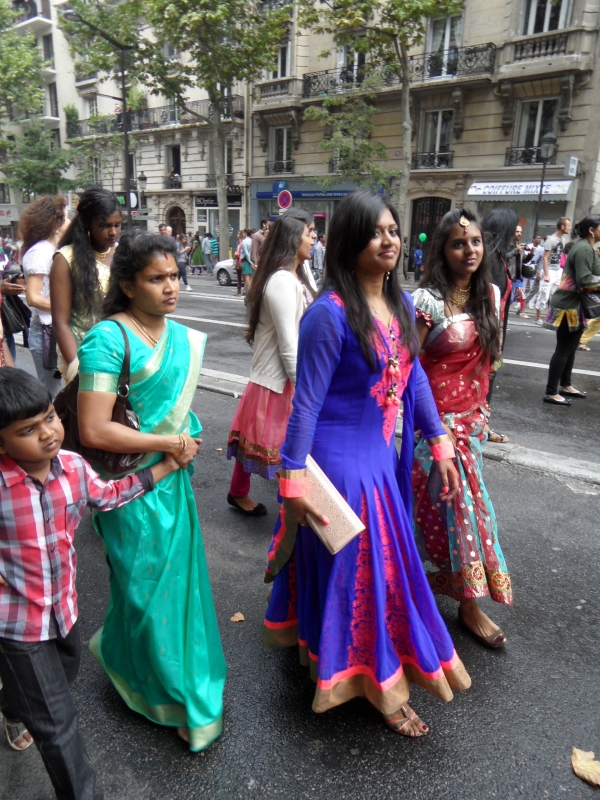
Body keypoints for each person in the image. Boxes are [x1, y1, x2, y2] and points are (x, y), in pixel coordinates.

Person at [263, 191, 470, 737]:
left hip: (380, 464)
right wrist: (292, 479)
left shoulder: (400, 305)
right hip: (339, 469)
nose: (389, 240)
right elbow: (306, 403)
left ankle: (338, 657)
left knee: (368, 573)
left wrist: (440, 440)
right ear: (350, 242)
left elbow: (413, 375)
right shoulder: (328, 315)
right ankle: (379, 685)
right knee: (366, 577)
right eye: (375, 232)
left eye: (393, 230)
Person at [0, 367, 180, 800]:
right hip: (17, 624)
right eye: (28, 430)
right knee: (58, 725)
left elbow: (111, 495)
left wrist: (163, 468)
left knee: (64, 675)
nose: (47, 433)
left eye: (49, 417)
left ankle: (13, 705)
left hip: (64, 610)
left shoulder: (74, 467)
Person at [76, 231, 226, 750]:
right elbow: (94, 429)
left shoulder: (181, 337)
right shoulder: (107, 340)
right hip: (130, 488)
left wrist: (183, 441)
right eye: (156, 278)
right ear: (127, 285)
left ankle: (177, 689)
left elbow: (175, 411)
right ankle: (152, 680)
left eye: (175, 276)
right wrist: (170, 443)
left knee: (177, 588)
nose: (171, 287)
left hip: (173, 480)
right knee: (143, 591)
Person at [413, 208, 511, 649]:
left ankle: (457, 596)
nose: (469, 250)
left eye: (475, 241)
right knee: (451, 510)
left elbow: (488, 364)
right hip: (434, 427)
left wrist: (481, 417)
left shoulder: (490, 293)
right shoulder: (427, 301)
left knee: (463, 512)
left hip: (471, 426)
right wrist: (434, 427)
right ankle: (460, 603)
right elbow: (408, 369)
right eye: (458, 243)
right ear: (442, 249)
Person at [226, 215, 315, 516]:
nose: (313, 239)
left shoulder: (296, 275)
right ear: (292, 240)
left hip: (284, 377)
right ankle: (292, 512)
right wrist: (303, 389)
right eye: (309, 233)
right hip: (278, 380)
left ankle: (242, 493)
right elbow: (288, 343)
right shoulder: (281, 281)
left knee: (262, 442)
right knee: (280, 448)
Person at [50, 188, 122, 385]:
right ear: (87, 224)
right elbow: (61, 322)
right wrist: (77, 368)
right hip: (83, 355)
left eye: (117, 225)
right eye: (104, 226)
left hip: (120, 354)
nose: (113, 232)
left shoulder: (123, 254)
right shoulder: (66, 259)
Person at [543, 214, 600, 405]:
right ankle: (551, 392)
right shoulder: (584, 249)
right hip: (568, 305)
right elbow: (585, 280)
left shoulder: (587, 248)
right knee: (564, 349)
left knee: (571, 348)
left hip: (575, 305)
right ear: (591, 230)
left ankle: (565, 385)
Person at [20, 195, 70, 397]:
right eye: (66, 217)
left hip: (54, 330)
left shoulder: (52, 250)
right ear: (55, 223)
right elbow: (33, 297)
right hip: (46, 333)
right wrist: (68, 307)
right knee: (53, 394)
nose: (69, 222)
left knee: (61, 391)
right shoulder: (40, 252)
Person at [480, 207, 519, 444]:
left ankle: (482, 424)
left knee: (488, 376)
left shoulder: (499, 254)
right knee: (482, 377)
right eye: (513, 229)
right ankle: (479, 426)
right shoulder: (487, 256)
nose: (516, 233)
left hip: (495, 327)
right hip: (485, 329)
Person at [534, 217, 571, 325]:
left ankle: (550, 318)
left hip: (558, 271)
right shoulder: (551, 240)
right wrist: (546, 274)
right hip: (549, 270)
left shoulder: (562, 240)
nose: (569, 228)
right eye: (568, 226)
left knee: (556, 296)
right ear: (562, 227)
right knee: (544, 295)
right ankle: (537, 318)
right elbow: (544, 258)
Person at [240, 228, 255, 294]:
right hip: (252, 261)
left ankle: (249, 294)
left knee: (247, 279)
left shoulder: (244, 241)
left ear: (246, 234)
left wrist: (250, 262)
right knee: (251, 279)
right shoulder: (252, 241)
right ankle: (252, 293)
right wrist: (252, 262)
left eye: (243, 233)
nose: (243, 234)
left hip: (246, 261)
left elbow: (246, 253)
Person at [233, 229, 244, 295]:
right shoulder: (238, 242)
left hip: (241, 260)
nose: (237, 235)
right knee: (238, 276)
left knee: (244, 276)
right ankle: (238, 290)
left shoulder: (243, 242)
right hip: (237, 259)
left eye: (239, 234)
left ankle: (244, 290)